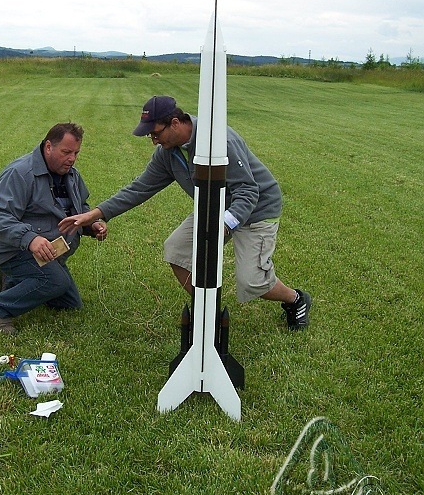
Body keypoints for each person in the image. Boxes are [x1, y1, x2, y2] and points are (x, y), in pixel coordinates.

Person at [58, 97, 311, 331]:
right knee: (177, 250)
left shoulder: (219, 141)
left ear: (175, 123)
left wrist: (223, 225)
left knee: (252, 282)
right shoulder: (168, 154)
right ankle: (207, 311)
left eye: (156, 133)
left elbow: (247, 190)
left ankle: (296, 299)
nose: (154, 141)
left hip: (257, 209)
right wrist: (94, 214)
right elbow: (139, 188)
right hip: (213, 208)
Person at [0, 122, 107, 334]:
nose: (72, 159)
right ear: (49, 146)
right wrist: (30, 239)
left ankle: (19, 282)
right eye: (66, 152)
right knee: (56, 282)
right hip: (16, 250)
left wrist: (91, 224)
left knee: (70, 304)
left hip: (52, 253)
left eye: (76, 153)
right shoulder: (20, 173)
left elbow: (81, 207)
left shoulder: (71, 174)